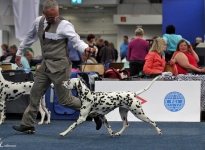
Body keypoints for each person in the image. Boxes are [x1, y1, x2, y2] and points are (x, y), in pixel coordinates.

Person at [12, 0, 102, 134]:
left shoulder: (64, 25)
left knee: (66, 101)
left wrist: (86, 49)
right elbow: (29, 38)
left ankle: (95, 112)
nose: (54, 19)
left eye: (56, 16)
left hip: (61, 67)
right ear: (43, 13)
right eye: (50, 17)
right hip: (45, 65)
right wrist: (19, 52)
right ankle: (28, 125)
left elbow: (77, 41)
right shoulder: (38, 22)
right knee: (35, 94)